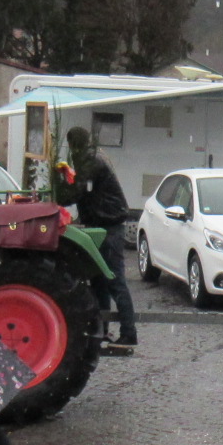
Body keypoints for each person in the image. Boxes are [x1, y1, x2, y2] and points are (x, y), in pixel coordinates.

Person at [59, 127, 137, 346]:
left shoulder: (90, 161)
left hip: (109, 225)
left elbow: (77, 192)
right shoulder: (93, 156)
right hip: (104, 223)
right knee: (100, 280)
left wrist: (58, 191)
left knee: (113, 280)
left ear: (73, 144)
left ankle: (129, 332)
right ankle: (102, 331)